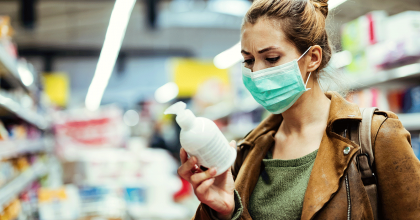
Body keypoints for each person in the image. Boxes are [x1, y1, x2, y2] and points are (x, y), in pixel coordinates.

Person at [177, 0, 420, 219]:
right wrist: (224, 212)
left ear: (312, 58)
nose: (257, 73)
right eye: (248, 61)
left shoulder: (377, 136)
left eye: (271, 59)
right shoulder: (246, 152)